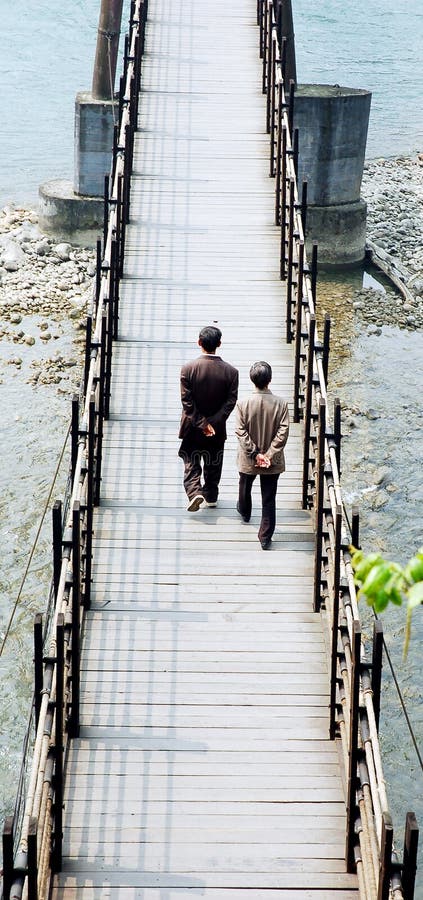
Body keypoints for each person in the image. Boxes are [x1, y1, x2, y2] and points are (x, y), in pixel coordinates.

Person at [179, 326, 239, 511]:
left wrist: (202, 423)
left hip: (192, 426)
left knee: (191, 458)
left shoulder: (188, 369)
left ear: (199, 343)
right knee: (214, 460)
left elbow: (187, 402)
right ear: (219, 344)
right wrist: (213, 423)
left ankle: (194, 491)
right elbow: (231, 401)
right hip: (217, 428)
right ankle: (211, 495)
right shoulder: (231, 372)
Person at [235, 361, 289, 549]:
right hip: (272, 462)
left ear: (252, 380)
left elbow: (241, 432)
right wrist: (269, 454)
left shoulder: (242, 404)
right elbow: (283, 431)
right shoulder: (281, 404)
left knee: (244, 485)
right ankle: (265, 537)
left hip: (249, 459)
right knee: (268, 498)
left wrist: (255, 454)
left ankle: (244, 510)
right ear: (270, 380)